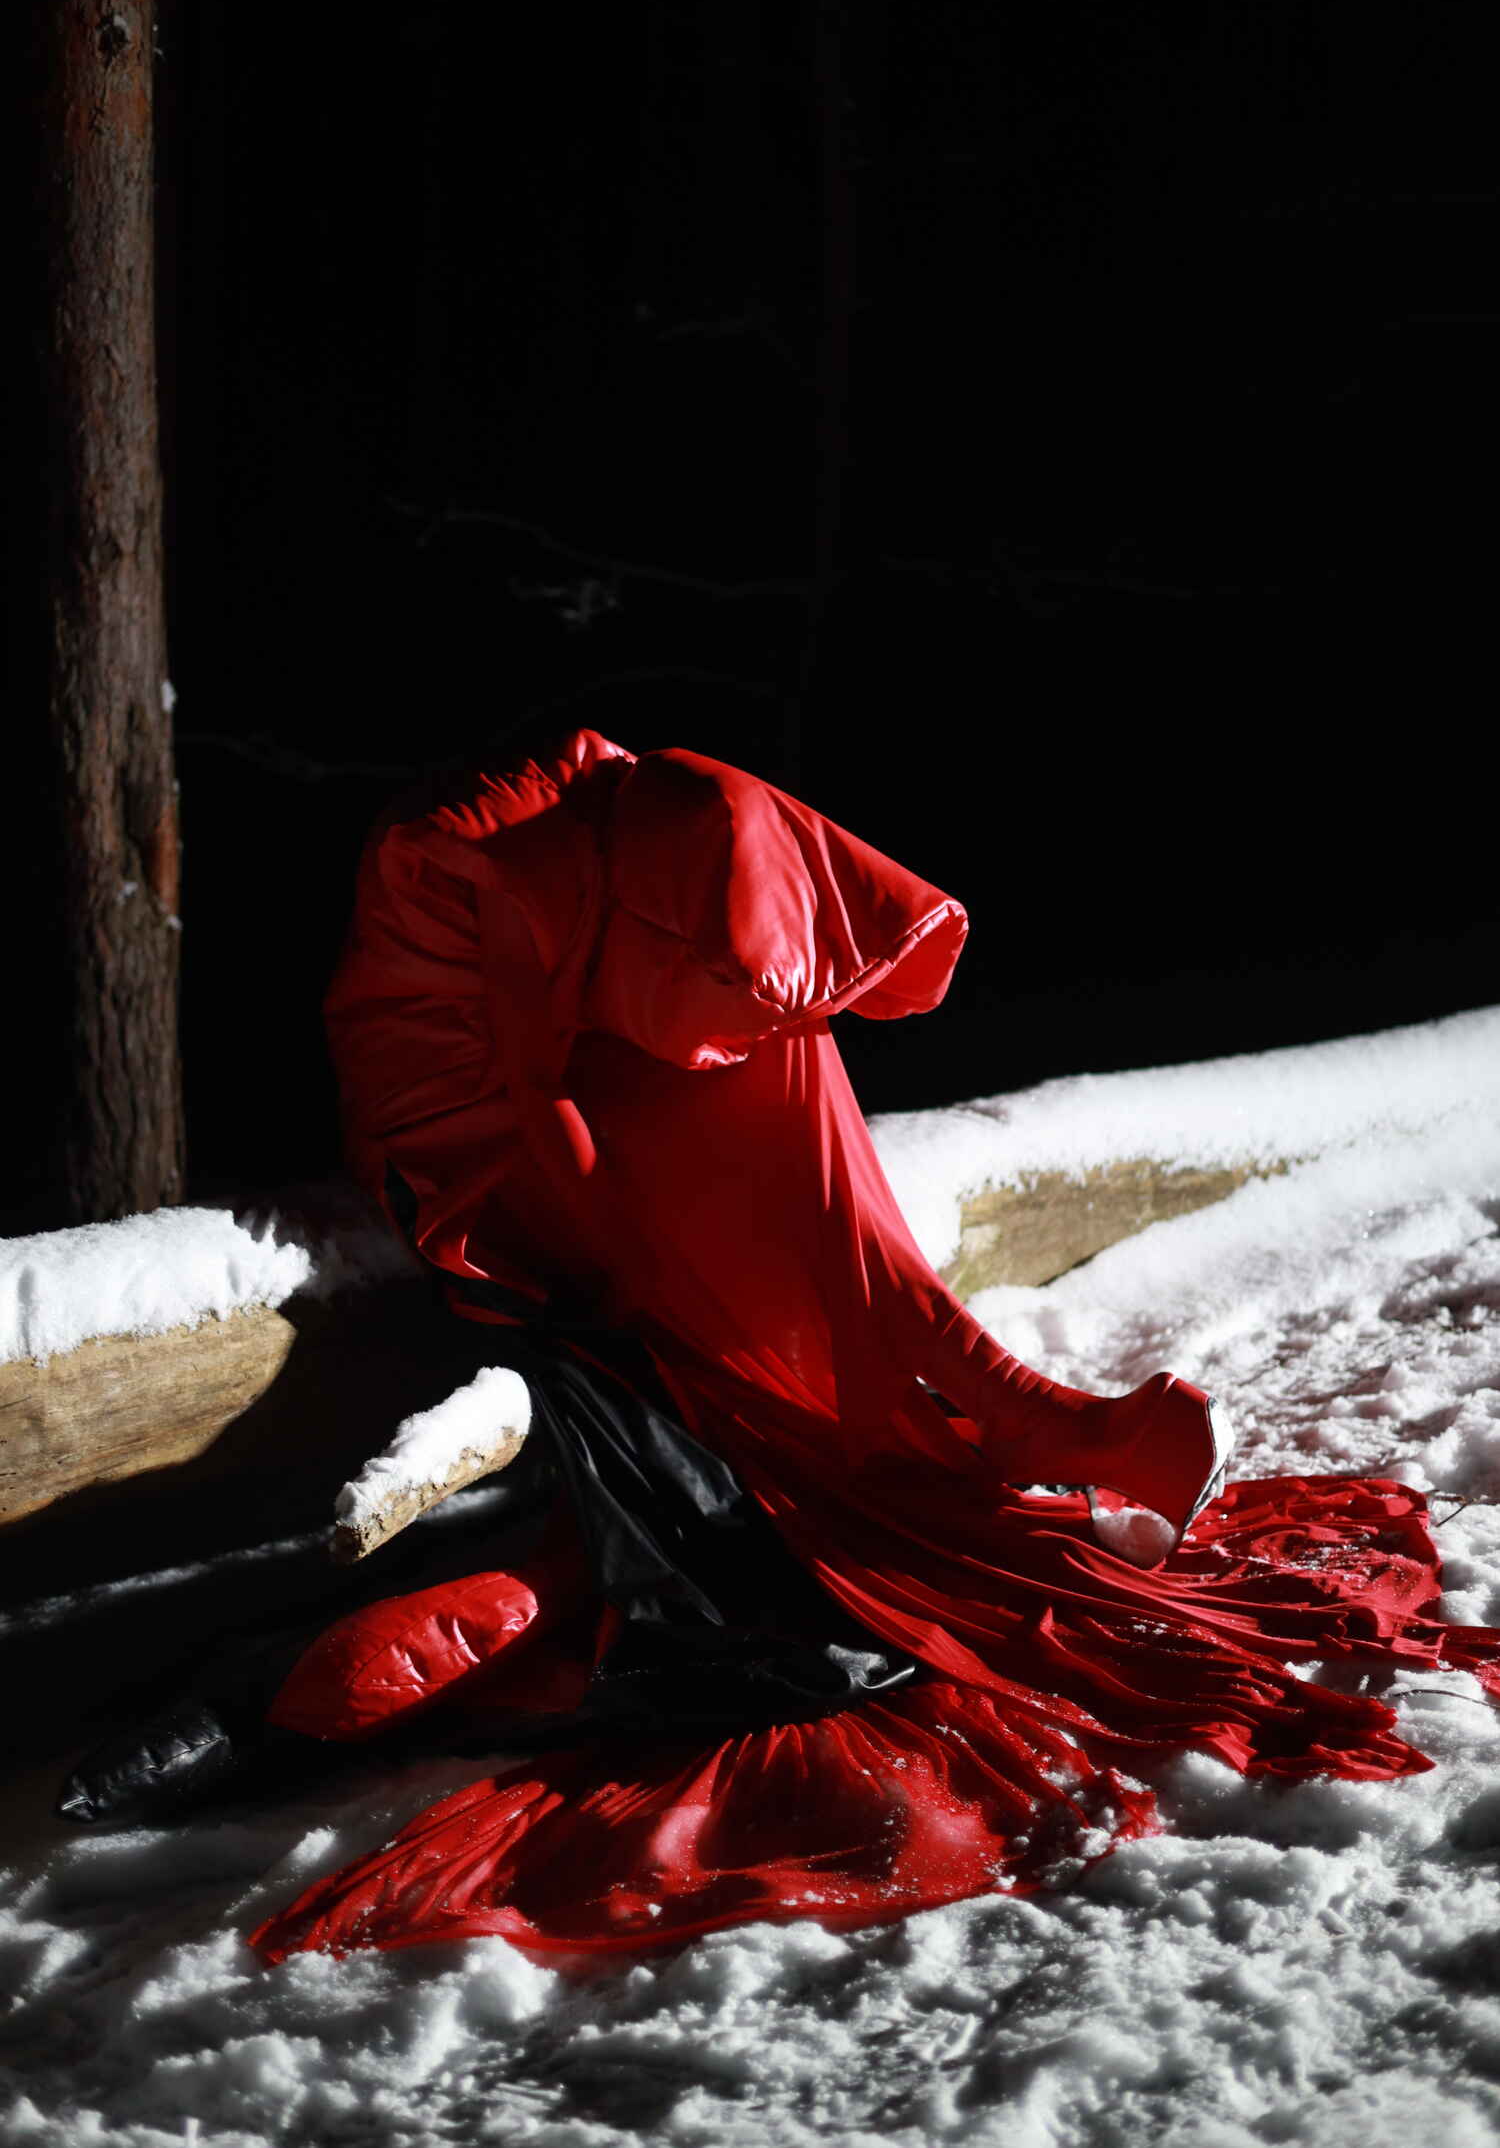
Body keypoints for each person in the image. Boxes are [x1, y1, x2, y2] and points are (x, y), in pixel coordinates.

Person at [61, 730, 1500, 1964]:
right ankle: (1001, 1423)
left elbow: (745, 1015)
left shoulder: (654, 838)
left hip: (602, 1069)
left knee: (782, 1074)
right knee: (628, 1508)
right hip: (504, 1161)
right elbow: (541, 1142)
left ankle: (1010, 1404)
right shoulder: (483, 879)